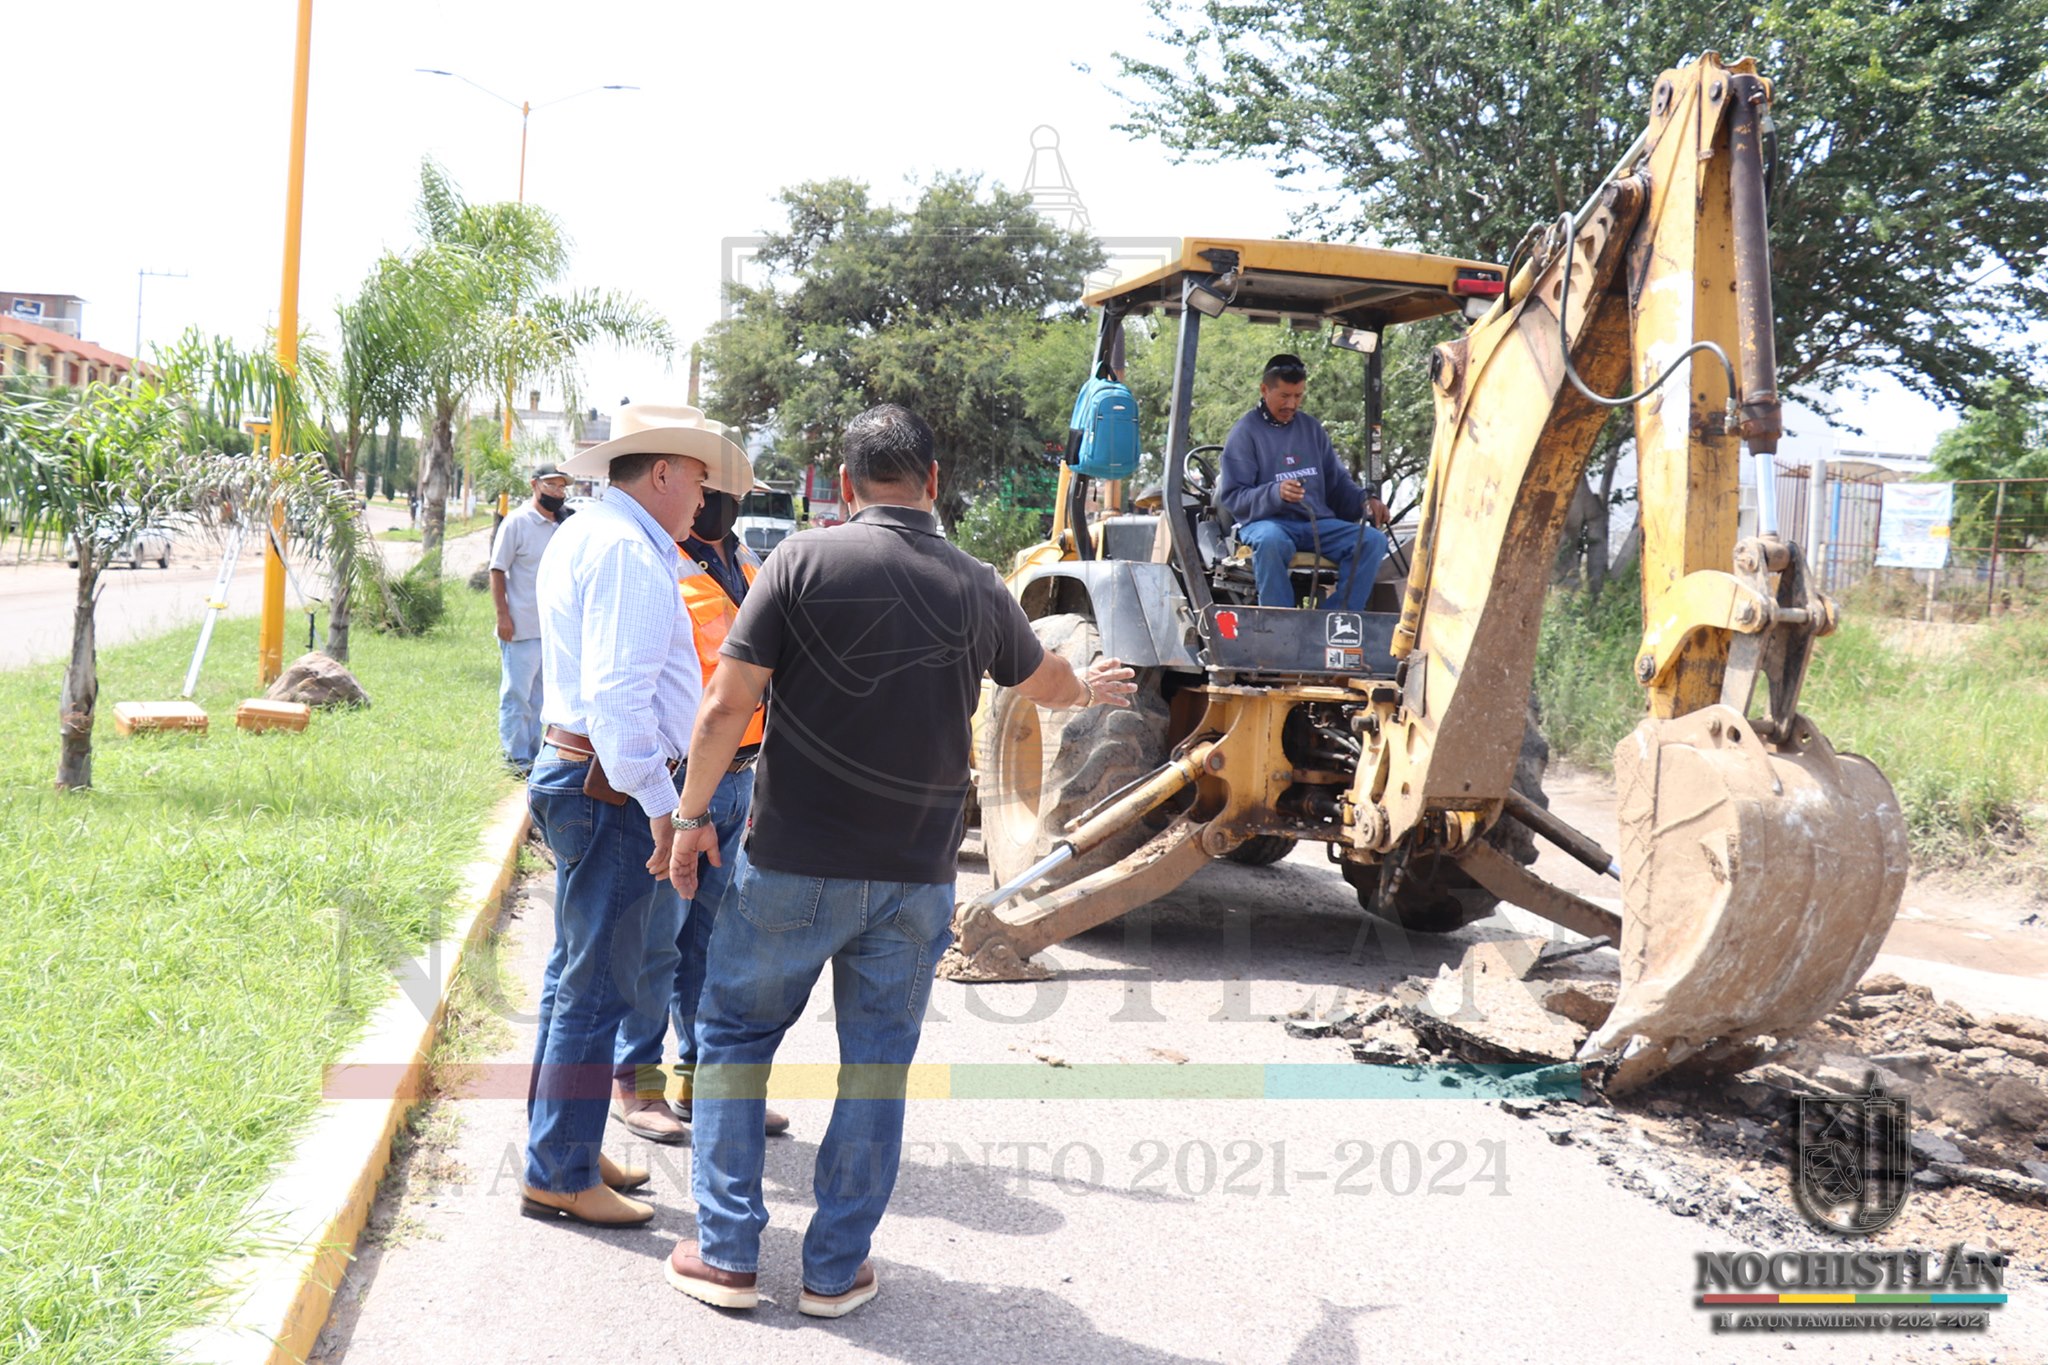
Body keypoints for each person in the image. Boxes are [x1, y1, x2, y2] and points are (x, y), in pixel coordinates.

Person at [660, 404, 1136, 1317]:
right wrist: (1089, 685)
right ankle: (834, 1270)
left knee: (732, 1042)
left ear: (844, 486)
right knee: (874, 1067)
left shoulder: (799, 560)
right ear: (932, 484)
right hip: (916, 880)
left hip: (790, 864)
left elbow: (725, 708)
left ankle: (725, 1256)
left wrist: (688, 820)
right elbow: (1043, 682)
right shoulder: (978, 584)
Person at [518, 402, 752, 1229]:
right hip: (611, 785)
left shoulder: (600, 534)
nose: (703, 497)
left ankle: (563, 1144)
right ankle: (559, 1167)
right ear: (660, 472)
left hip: (589, 774)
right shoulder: (626, 551)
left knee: (573, 978)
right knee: (595, 986)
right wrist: (666, 809)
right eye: (696, 478)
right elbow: (621, 707)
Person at [608, 472, 791, 1144]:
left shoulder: (751, 565)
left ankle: (701, 1082)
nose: (720, 501)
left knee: (715, 942)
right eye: (711, 486)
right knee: (660, 936)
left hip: (742, 773)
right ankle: (637, 1082)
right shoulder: (664, 562)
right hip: (685, 776)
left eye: (731, 490)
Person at [1218, 352, 1392, 611]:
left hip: (1315, 525)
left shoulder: (1311, 429)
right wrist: (1275, 493)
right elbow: (1234, 498)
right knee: (1272, 541)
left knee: (1372, 541)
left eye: (1298, 396)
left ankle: (1334, 619)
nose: (1292, 404)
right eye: (1284, 396)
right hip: (1267, 524)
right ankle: (1282, 625)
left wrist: (1364, 501)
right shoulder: (1245, 433)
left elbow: (1337, 484)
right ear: (1265, 390)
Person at [488, 463, 570, 777]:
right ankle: (515, 759)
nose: (558, 492)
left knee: (540, 699)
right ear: (534, 485)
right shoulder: (518, 523)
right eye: (552, 485)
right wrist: (502, 615)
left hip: (551, 628)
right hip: (520, 627)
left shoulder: (562, 526)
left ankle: (532, 757)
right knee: (517, 695)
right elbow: (497, 570)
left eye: (562, 487)